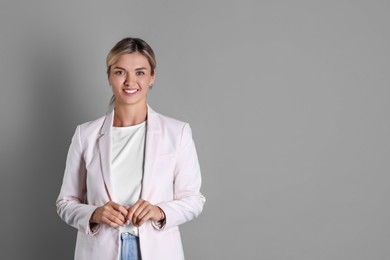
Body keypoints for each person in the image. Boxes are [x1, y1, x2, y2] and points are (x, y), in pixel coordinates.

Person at [56, 37, 205, 260]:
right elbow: (65, 203)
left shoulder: (177, 132)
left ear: (152, 77)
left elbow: (194, 199)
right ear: (109, 76)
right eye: (120, 72)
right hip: (101, 252)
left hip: (158, 251)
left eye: (140, 72)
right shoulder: (85, 135)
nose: (130, 81)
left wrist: (160, 211)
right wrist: (95, 213)